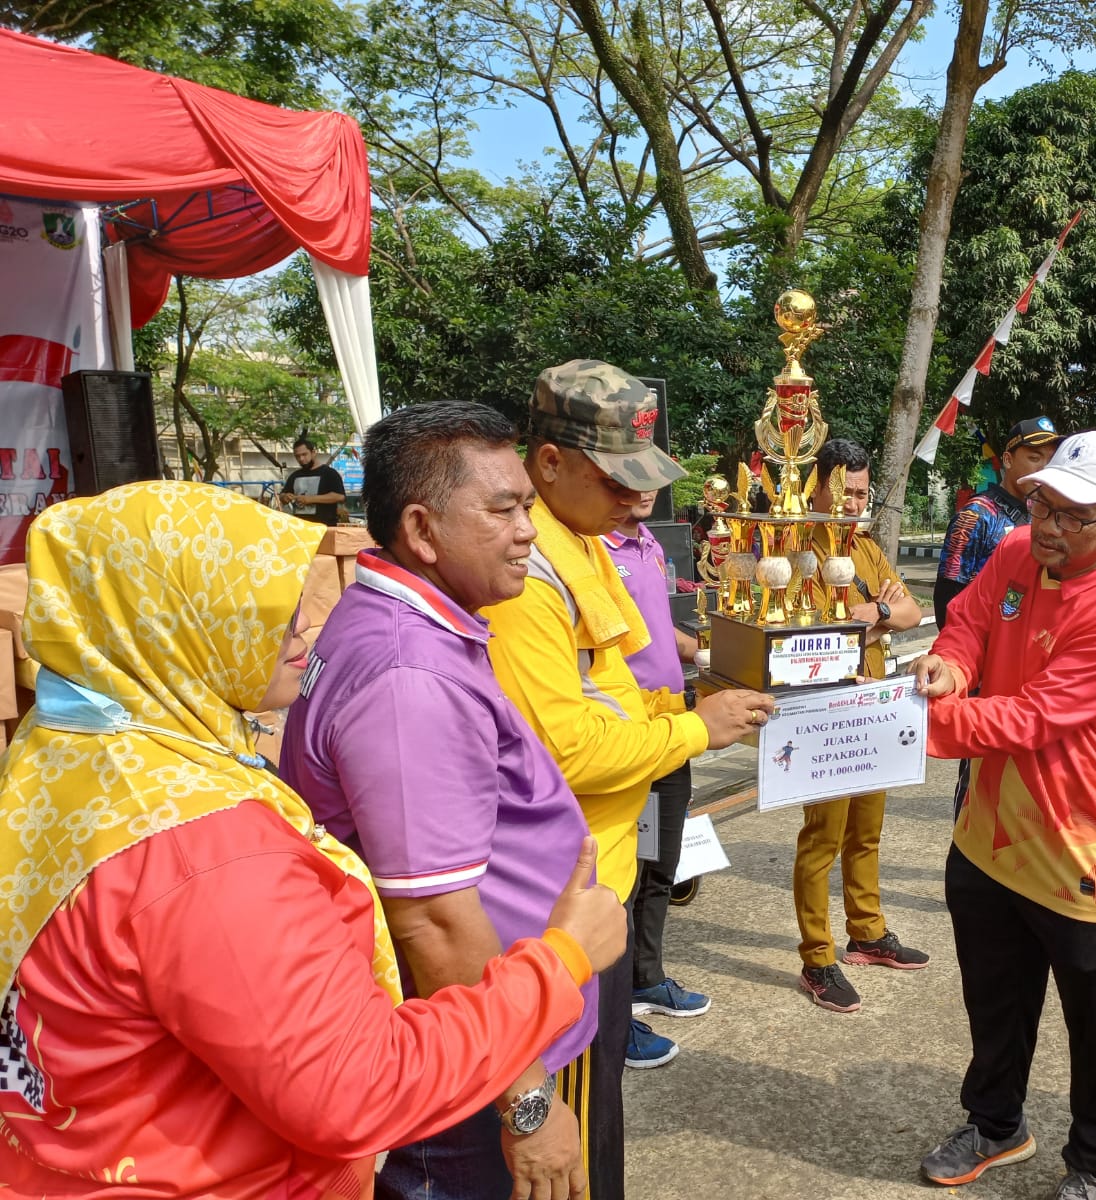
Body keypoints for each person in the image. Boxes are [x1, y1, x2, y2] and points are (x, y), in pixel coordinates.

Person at [0, 481, 626, 1196]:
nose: (303, 626)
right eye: (262, 610)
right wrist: (562, 961)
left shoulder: (70, 748)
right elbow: (357, 1087)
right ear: (170, 621)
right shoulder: (209, 852)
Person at [279, 402, 615, 1200]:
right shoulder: (408, 677)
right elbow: (430, 920)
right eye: (502, 510)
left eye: (527, 505)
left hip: (497, 1029)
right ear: (423, 531)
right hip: (465, 1068)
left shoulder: (412, 624)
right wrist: (527, 1103)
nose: (529, 530)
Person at [483, 360, 773, 1200]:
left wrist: (672, 701)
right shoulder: (526, 580)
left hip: (595, 883)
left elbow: (604, 684)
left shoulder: (582, 545)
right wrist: (693, 729)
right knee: (562, 1147)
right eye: (618, 481)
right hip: (554, 898)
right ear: (548, 464)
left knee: (599, 1120)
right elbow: (560, 752)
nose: (638, 501)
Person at [910, 431, 1096, 1200]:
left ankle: (1094, 1164)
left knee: (1095, 1024)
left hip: (1078, 847)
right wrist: (947, 664)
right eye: (1043, 501)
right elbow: (972, 620)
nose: (1048, 524)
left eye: (1073, 514)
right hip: (988, 830)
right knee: (994, 995)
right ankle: (995, 1124)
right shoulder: (1018, 549)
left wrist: (907, 726)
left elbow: (1030, 719)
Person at [793, 437, 928, 1014]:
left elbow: (911, 611)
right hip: (824, 708)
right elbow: (815, 625)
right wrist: (875, 613)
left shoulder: (865, 547)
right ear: (818, 483)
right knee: (823, 836)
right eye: (844, 490)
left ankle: (867, 932)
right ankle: (816, 957)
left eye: (861, 491)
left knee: (867, 830)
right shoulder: (796, 546)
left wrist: (872, 614)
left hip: (871, 701)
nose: (852, 501)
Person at [599, 489, 711, 1070]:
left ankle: (645, 979)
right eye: (629, 474)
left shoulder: (643, 541)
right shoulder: (591, 546)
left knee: (661, 865)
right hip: (623, 734)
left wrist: (709, 653)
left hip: (671, 725)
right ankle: (613, 1021)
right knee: (624, 874)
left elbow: (655, 628)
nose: (645, 489)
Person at [933, 416, 1064, 627]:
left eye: (1050, 460)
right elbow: (947, 600)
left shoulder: (1041, 514)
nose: (1044, 468)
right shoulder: (975, 517)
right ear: (1008, 460)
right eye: (1034, 458)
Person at [277, 435, 346, 526]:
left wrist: (310, 499)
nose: (301, 459)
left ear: (313, 452)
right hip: (300, 527)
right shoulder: (294, 476)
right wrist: (284, 497)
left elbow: (340, 496)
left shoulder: (329, 473)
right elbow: (282, 495)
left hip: (324, 527)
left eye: (304, 454)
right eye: (297, 456)